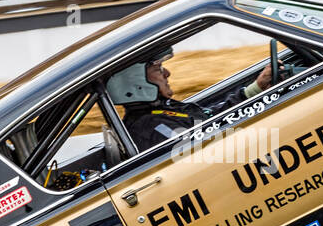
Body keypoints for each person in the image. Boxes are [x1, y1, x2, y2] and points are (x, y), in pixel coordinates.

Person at [111, 46, 275, 150]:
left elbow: (209, 119)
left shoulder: (162, 110)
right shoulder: (150, 127)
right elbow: (203, 150)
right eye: (158, 69)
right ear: (136, 81)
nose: (167, 73)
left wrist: (255, 90)